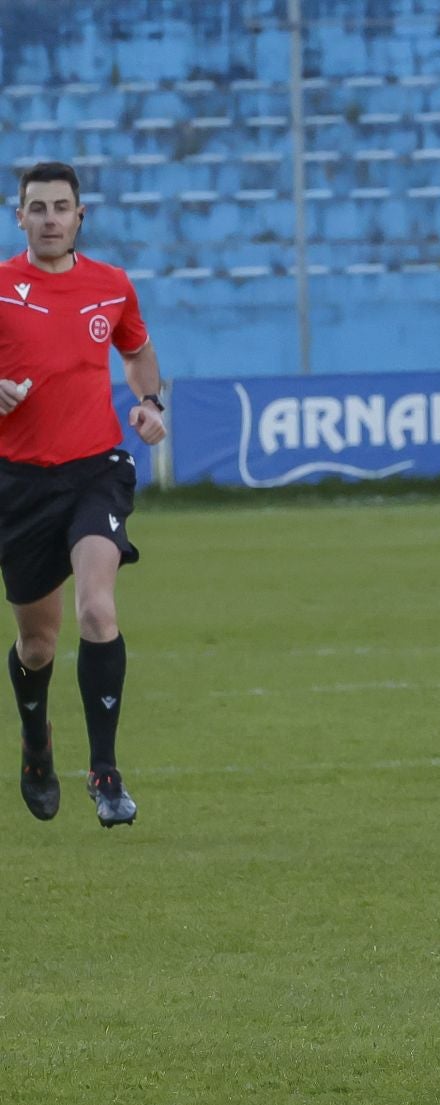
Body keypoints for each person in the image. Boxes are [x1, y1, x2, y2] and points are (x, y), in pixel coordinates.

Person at [0, 161, 168, 828]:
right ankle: (36, 742)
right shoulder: (2, 287)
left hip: (97, 468)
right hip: (20, 484)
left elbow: (138, 353)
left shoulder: (111, 286)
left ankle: (106, 773)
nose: (48, 218)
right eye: (36, 207)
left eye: (59, 207)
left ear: (79, 217)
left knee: (98, 610)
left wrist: (150, 402)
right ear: (20, 218)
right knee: (37, 646)